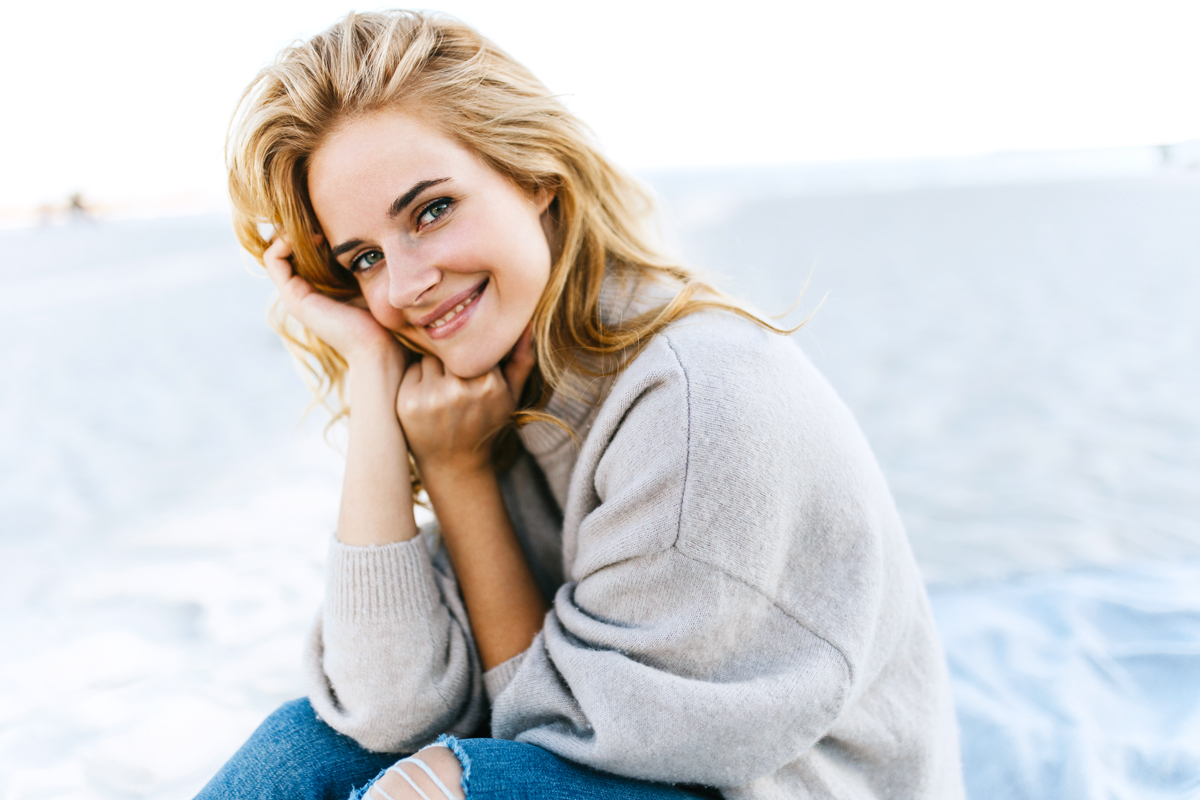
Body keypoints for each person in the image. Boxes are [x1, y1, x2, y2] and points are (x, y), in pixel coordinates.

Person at [201, 9, 964, 800]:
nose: (404, 285)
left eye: (431, 211)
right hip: (619, 761)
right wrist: (372, 377)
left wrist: (463, 487)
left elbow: (544, 744)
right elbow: (387, 708)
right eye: (364, 258)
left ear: (533, 173)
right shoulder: (486, 392)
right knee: (300, 752)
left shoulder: (695, 405)